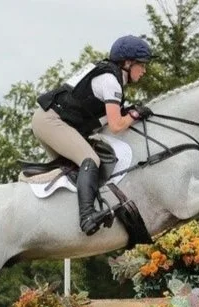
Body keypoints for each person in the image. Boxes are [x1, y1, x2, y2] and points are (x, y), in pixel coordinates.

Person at [31, 35, 154, 235]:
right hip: (51, 121)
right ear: (128, 62)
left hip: (50, 119)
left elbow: (101, 119)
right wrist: (134, 114)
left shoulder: (108, 75)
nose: (144, 70)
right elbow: (116, 126)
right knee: (90, 159)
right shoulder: (110, 81)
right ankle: (87, 217)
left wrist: (129, 112)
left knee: (76, 171)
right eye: (142, 64)